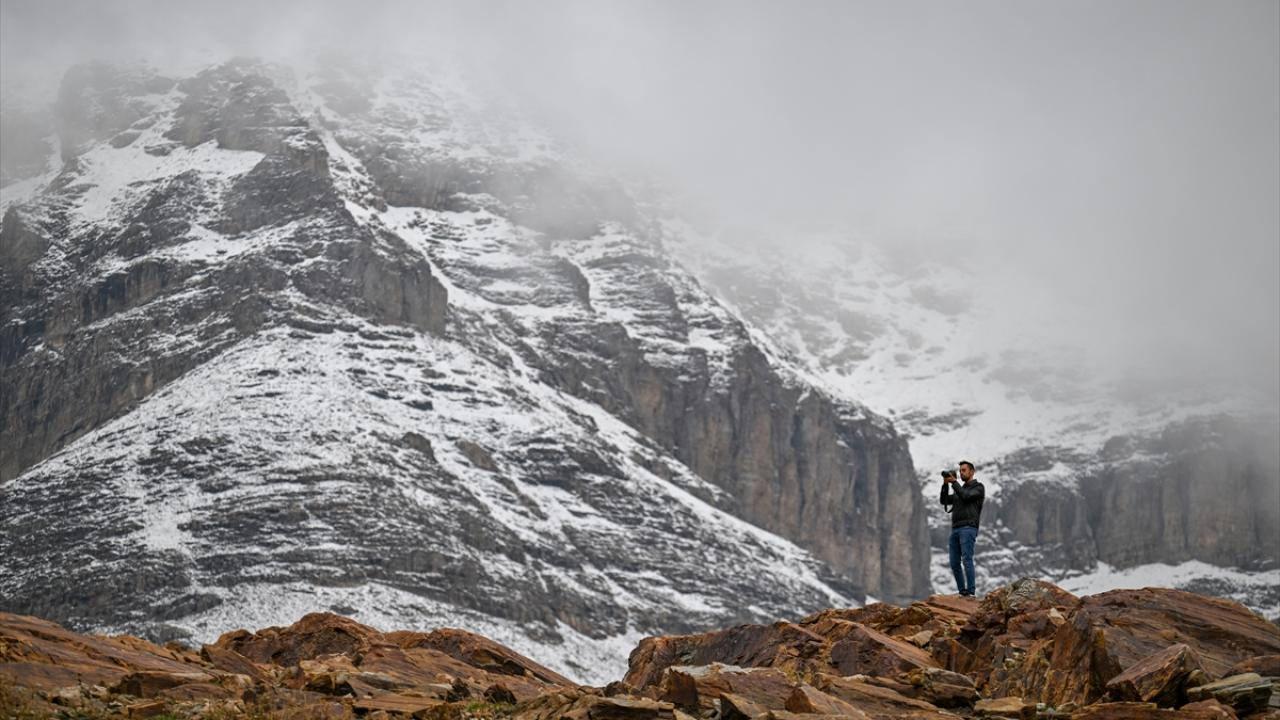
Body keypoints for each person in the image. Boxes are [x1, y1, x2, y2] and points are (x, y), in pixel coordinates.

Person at [940, 460, 984, 597]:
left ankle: (970, 592)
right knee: (954, 562)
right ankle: (962, 591)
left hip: (968, 528)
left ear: (972, 471)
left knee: (967, 559)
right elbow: (944, 500)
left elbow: (966, 497)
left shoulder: (978, 487)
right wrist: (945, 484)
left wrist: (954, 482)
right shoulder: (960, 489)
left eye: (964, 470)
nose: (961, 473)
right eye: (960, 471)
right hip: (956, 529)